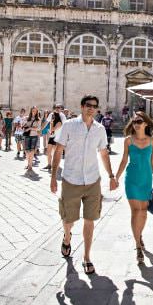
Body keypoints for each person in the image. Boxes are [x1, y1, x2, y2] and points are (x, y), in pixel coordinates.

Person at [50, 94, 117, 275]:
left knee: (90, 220)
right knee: (68, 220)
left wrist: (111, 176)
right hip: (71, 179)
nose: (91, 108)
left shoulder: (100, 129)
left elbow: (103, 153)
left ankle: (87, 257)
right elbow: (58, 151)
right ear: (81, 106)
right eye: (88, 105)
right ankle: (67, 237)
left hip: (92, 180)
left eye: (94, 106)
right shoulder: (69, 125)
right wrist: (53, 176)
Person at [115, 112, 153, 264]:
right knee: (136, 211)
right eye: (134, 122)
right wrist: (116, 177)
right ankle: (138, 246)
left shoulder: (152, 141)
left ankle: (139, 234)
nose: (136, 124)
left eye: (139, 121)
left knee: (144, 212)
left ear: (146, 124)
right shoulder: (128, 141)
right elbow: (123, 160)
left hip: (146, 179)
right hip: (132, 179)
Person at [23, 106, 41, 173]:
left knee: (32, 151)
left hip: (34, 136)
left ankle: (30, 166)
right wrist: (25, 124)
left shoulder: (38, 119)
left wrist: (30, 128)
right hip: (27, 136)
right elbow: (24, 126)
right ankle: (28, 164)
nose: (34, 112)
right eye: (33, 110)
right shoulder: (27, 118)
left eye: (35, 111)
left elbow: (38, 128)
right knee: (27, 151)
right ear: (31, 111)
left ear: (37, 112)